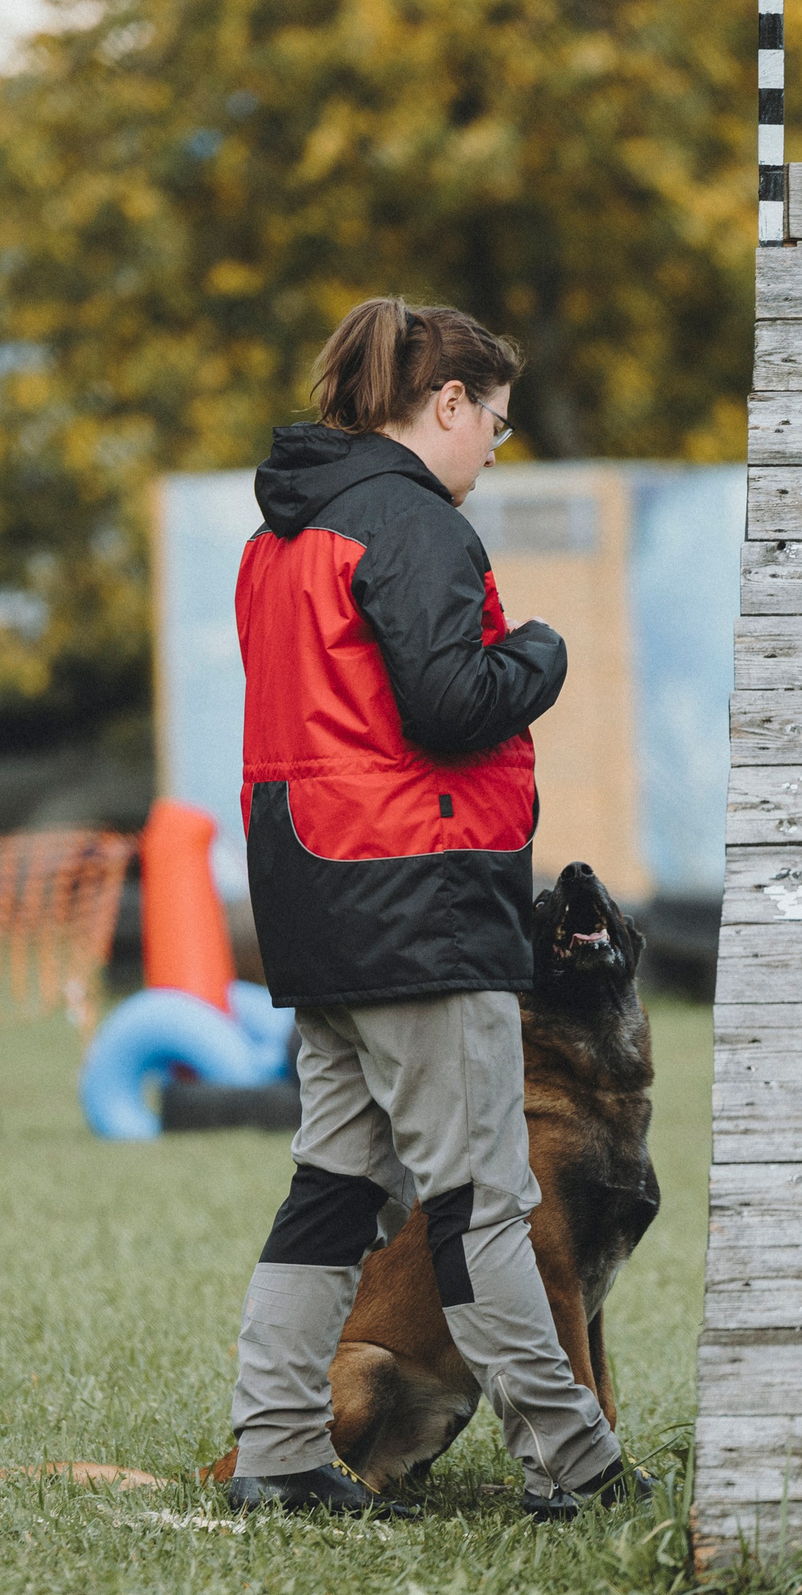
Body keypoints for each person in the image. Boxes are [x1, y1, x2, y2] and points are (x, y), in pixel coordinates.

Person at [223, 297, 650, 1520]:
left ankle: (276, 1452)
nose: (492, 453)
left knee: (335, 1189)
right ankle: (577, 1465)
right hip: (417, 899)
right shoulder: (414, 526)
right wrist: (544, 656)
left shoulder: (279, 540)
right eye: (495, 425)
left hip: (311, 900)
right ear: (445, 405)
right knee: (484, 1204)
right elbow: (448, 702)